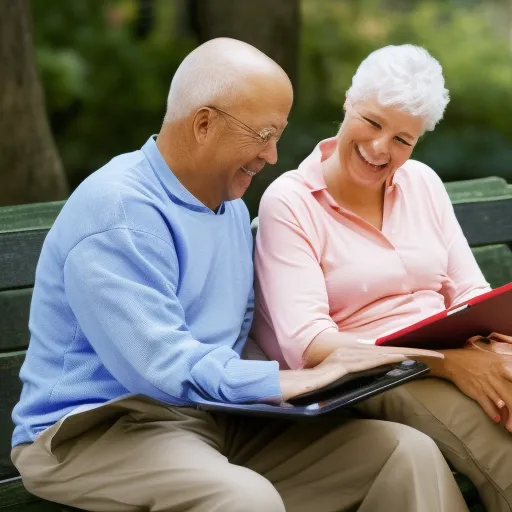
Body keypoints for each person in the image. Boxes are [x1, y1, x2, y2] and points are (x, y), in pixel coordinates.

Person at [10, 38, 468, 512]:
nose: (272, 156)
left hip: (210, 416)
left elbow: (238, 333)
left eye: (278, 136)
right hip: (94, 431)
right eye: (263, 135)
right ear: (204, 123)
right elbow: (160, 365)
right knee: (245, 500)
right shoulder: (119, 210)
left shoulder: (228, 208)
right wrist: (274, 382)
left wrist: (322, 379)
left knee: (402, 453)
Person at [251, 44, 512, 512]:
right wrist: (448, 362)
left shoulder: (424, 184)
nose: (379, 148)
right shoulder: (290, 202)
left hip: (452, 353)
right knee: (503, 446)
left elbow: (470, 292)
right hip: (371, 378)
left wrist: (491, 350)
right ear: (348, 104)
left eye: (402, 140)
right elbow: (310, 345)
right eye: (372, 122)